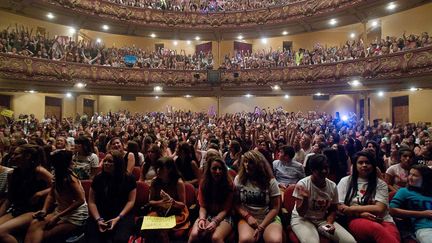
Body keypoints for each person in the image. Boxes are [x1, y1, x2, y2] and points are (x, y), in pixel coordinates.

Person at [24, 150, 88, 243]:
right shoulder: (57, 175)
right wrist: (44, 210)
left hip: (75, 216)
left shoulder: (70, 179)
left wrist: (57, 217)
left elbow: (80, 200)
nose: (73, 162)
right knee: (35, 223)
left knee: (43, 236)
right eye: (71, 160)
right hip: (61, 211)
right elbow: (51, 194)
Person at [337, 151, 400, 243]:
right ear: (355, 165)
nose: (364, 165)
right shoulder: (345, 181)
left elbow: (379, 209)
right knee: (376, 228)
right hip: (356, 219)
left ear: (373, 166)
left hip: (383, 220)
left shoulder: (380, 184)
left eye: (368, 162)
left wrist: (352, 208)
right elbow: (339, 206)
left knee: (393, 237)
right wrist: (360, 214)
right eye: (360, 162)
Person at [291, 154, 356, 243]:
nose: (324, 171)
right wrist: (305, 198)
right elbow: (301, 213)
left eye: (326, 168)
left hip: (322, 219)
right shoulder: (303, 184)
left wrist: (329, 223)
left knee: (350, 241)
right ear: (312, 170)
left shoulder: (332, 185)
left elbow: (333, 209)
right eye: (320, 169)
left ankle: (321, 229)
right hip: (303, 219)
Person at [0, 144, 53, 243]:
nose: (12, 157)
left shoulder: (39, 171)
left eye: (16, 154)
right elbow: (9, 199)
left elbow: (58, 186)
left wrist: (41, 193)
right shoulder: (13, 173)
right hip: (18, 209)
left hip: (33, 210)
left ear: (27, 156)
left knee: (1, 232)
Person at [87, 150, 137, 243]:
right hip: (101, 214)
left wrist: (118, 218)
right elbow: (91, 201)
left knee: (120, 239)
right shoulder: (98, 178)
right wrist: (98, 220)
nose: (106, 163)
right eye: (105, 161)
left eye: (110, 161)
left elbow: (131, 201)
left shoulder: (129, 178)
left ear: (118, 163)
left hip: (123, 214)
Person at [234, 150, 282, 243]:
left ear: (258, 164)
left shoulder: (270, 181)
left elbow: (275, 208)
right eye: (245, 161)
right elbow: (236, 204)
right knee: (246, 240)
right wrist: (247, 216)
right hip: (248, 218)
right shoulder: (239, 179)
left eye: (251, 162)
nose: (247, 164)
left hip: (268, 218)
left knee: (275, 240)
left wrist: (262, 226)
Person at [189, 157, 234, 243]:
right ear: (209, 170)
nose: (218, 171)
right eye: (214, 168)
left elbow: (226, 209)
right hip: (208, 214)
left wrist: (215, 222)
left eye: (220, 168)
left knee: (216, 238)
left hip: (225, 216)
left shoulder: (229, 184)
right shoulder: (204, 183)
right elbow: (203, 206)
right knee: (195, 234)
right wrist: (202, 219)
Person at [145, 157, 190, 243]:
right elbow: (150, 202)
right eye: (157, 167)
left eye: (161, 168)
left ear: (169, 169)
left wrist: (172, 202)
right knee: (148, 228)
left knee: (162, 230)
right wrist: (160, 203)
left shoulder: (178, 183)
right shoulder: (155, 181)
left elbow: (183, 204)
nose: (158, 170)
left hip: (176, 212)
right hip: (160, 210)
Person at [389, 164, 432, 243]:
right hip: (424, 228)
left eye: (415, 175)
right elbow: (392, 210)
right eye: (410, 174)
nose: (410, 177)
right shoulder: (404, 191)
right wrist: (423, 214)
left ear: (425, 178)